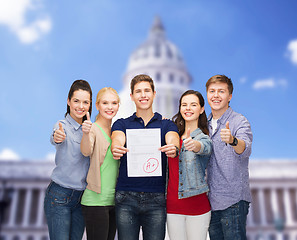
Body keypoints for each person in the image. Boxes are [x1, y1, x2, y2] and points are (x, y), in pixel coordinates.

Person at [111, 74, 179, 240]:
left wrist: (174, 147)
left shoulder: (166, 124)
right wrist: (116, 146)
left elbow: (173, 137)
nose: (143, 95)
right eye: (138, 91)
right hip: (126, 197)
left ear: (154, 94)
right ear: (131, 96)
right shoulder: (121, 123)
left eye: (147, 90)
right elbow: (117, 138)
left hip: (156, 198)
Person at [205, 75, 253, 240]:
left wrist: (232, 140)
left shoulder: (239, 121)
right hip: (210, 201)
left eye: (221, 91)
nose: (216, 95)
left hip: (233, 201)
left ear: (230, 96)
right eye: (212, 91)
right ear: (207, 94)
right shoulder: (204, 123)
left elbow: (245, 148)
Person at [44, 79, 92, 240]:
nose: (81, 106)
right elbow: (55, 137)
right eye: (76, 101)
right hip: (59, 196)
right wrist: (57, 137)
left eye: (85, 102)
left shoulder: (90, 129)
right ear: (68, 101)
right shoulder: (61, 126)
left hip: (81, 198)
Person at [166, 90, 212, 240]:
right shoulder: (171, 137)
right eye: (184, 105)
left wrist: (195, 145)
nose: (188, 108)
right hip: (172, 207)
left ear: (201, 109)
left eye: (193, 105)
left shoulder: (203, 138)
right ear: (179, 108)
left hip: (198, 208)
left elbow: (205, 147)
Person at [80, 87, 120, 240]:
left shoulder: (116, 131)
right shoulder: (92, 128)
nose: (110, 107)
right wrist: (85, 133)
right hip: (96, 201)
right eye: (105, 103)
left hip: (113, 201)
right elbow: (86, 150)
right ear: (97, 105)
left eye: (114, 103)